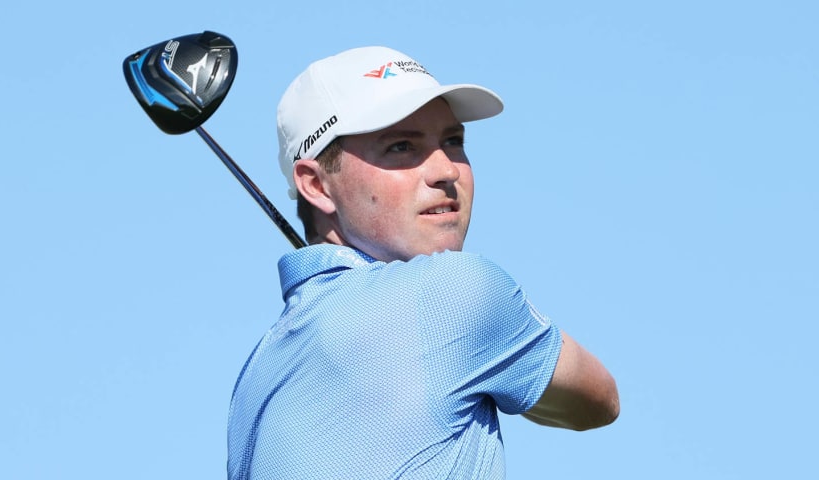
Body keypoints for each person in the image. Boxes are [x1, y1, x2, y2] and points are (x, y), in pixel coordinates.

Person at [227, 46, 619, 480]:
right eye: (401, 147)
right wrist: (504, 353)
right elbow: (598, 401)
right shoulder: (455, 289)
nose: (445, 170)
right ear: (316, 185)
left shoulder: (254, 379)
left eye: (453, 141)